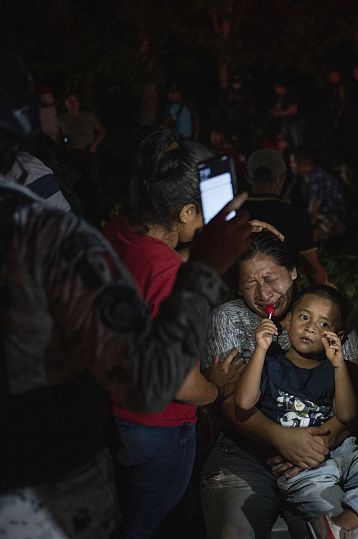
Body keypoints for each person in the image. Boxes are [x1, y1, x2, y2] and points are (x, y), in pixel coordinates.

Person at [0, 51, 253, 538]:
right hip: (61, 476)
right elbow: (160, 380)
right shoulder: (51, 238)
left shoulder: (115, 233)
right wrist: (216, 384)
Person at [102, 127, 245, 538]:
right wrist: (215, 390)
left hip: (115, 412)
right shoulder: (166, 273)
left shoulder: (120, 230)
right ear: (185, 213)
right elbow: (183, 385)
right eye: (206, 212)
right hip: (158, 427)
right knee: (149, 524)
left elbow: (155, 267)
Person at [200, 233, 358, 538]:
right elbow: (229, 401)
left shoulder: (330, 312)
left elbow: (352, 398)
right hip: (243, 456)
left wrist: (313, 448)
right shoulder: (228, 319)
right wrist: (281, 438)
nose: (263, 293)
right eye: (250, 283)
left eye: (271, 278)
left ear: (293, 272)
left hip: (318, 460)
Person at [234, 285, 358, 538]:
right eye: (304, 317)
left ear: (338, 336)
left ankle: (342, 522)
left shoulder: (334, 370)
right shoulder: (271, 364)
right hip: (305, 470)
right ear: (287, 321)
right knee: (350, 535)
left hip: (344, 454)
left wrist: (339, 364)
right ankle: (338, 526)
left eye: (323, 325)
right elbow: (243, 402)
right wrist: (261, 350)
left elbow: (346, 415)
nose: (311, 328)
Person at [244, 149, 331, 286]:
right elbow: (313, 270)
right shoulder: (294, 215)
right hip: (285, 296)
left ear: (248, 177)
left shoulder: (235, 215)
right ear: (283, 178)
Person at [289, 148, 347, 243]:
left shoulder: (317, 179)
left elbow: (313, 213)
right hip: (323, 217)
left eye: (292, 162)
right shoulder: (303, 178)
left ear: (302, 164)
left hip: (334, 218)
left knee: (303, 236)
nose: (291, 166)